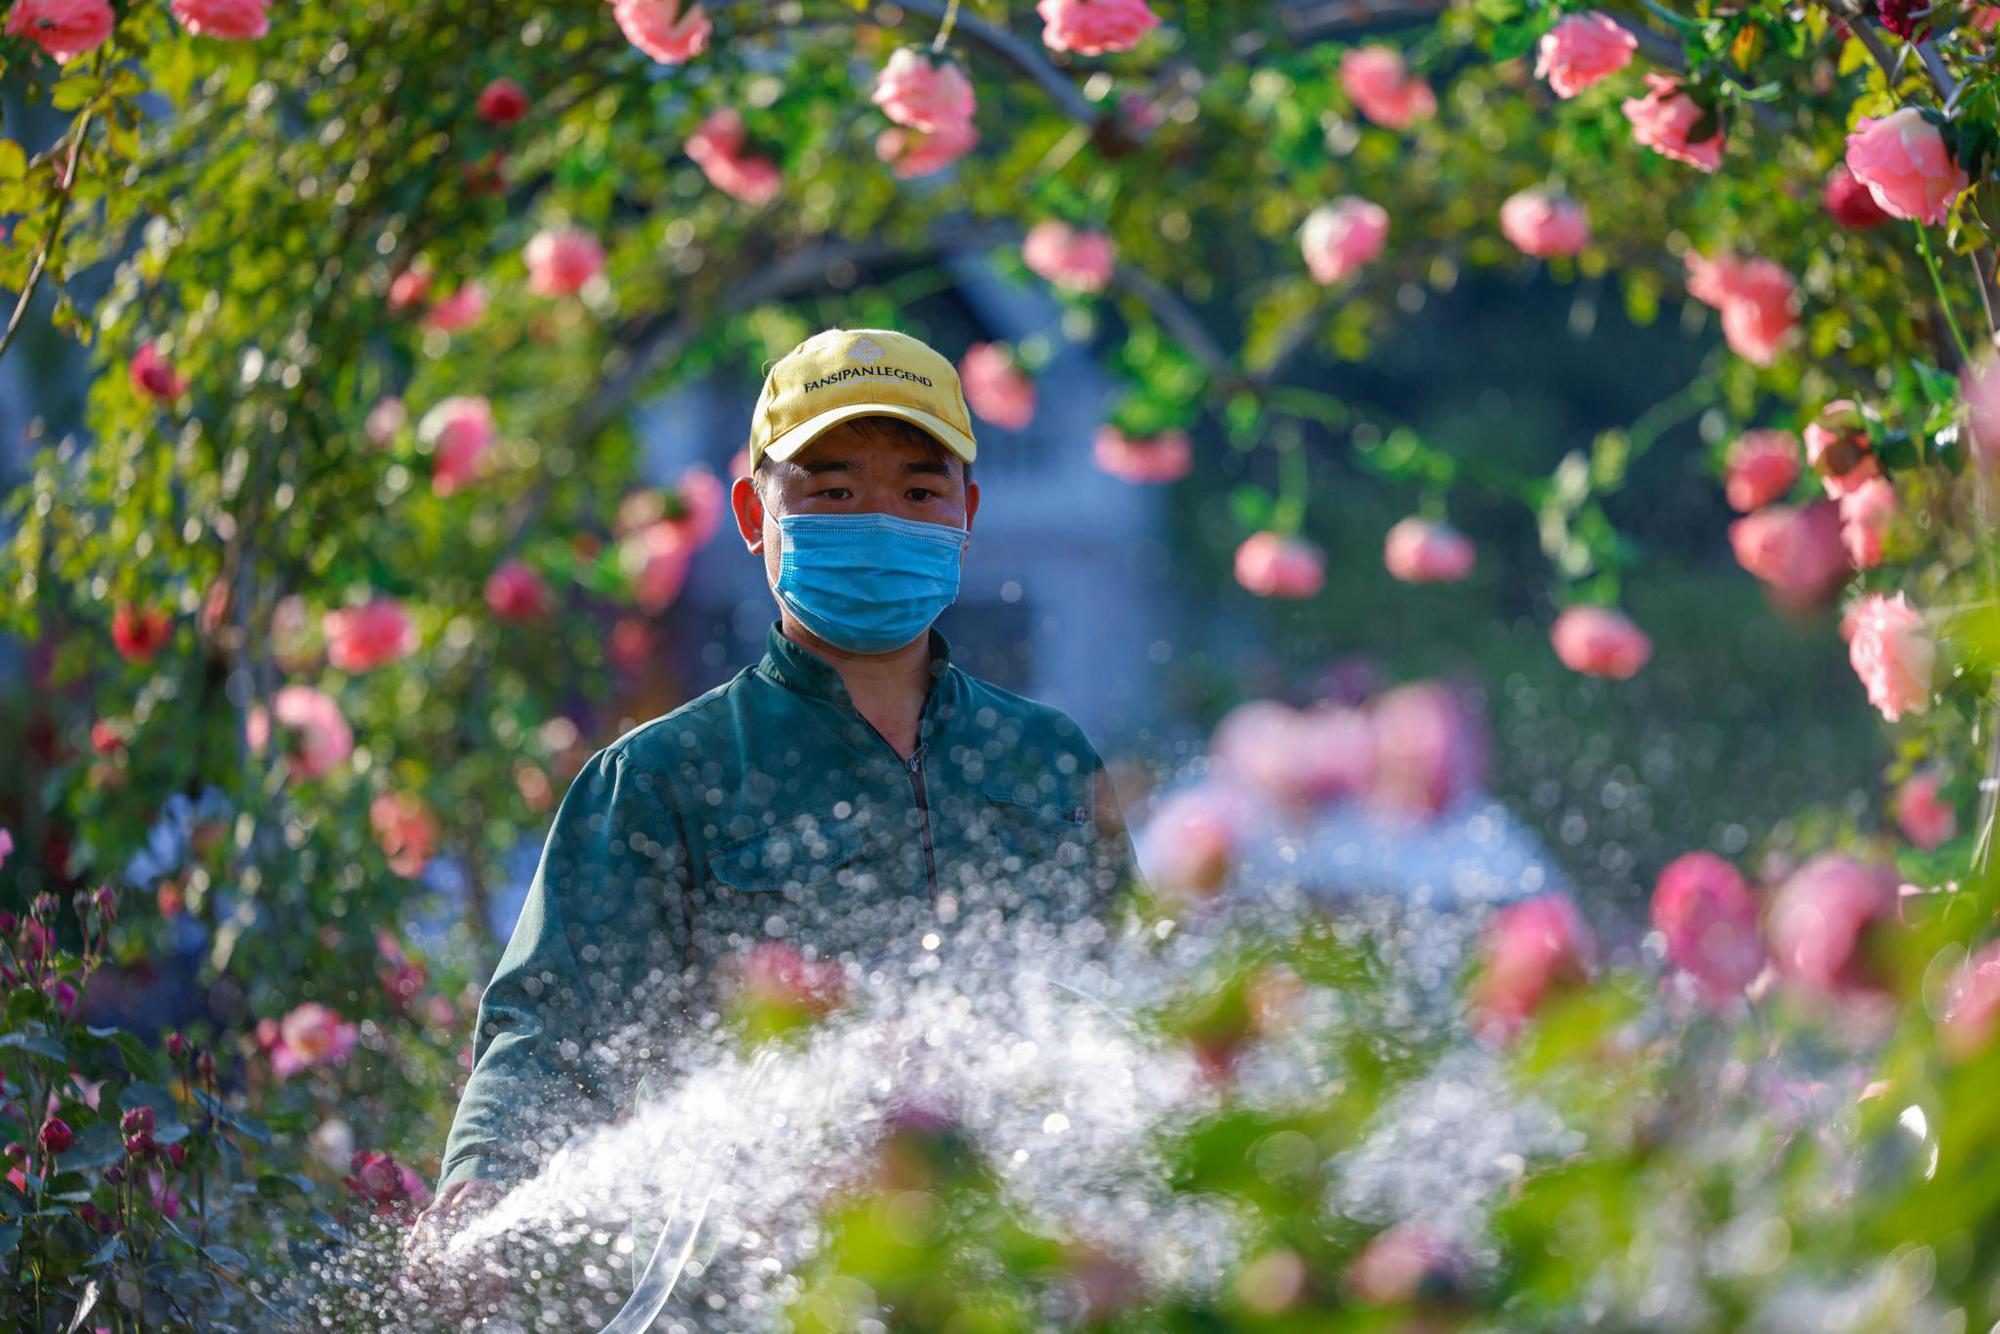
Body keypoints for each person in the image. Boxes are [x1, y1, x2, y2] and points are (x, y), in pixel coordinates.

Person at [405, 327, 1143, 1268]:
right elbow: (553, 1029)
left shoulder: (1048, 757)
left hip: (1018, 1275)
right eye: (833, 492)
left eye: (919, 492)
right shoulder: (662, 778)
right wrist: (483, 1182)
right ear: (755, 512)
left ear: (968, 512)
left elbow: (1126, 998)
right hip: (760, 1283)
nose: (881, 520)